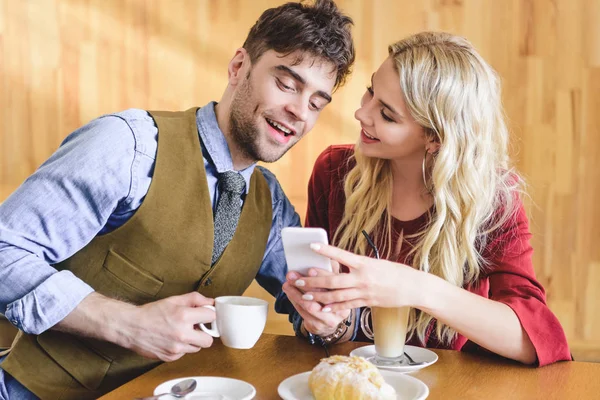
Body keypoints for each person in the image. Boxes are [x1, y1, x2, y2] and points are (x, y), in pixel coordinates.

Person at [0, 1, 355, 398]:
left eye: (316, 103)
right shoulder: (129, 145)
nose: (298, 112)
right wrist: (127, 323)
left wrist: (327, 321)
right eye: (287, 84)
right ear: (239, 67)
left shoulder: (268, 203)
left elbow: (313, 302)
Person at [282, 31, 571, 366]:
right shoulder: (335, 172)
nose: (362, 115)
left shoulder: (492, 199)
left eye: (387, 114)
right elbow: (328, 331)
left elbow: (537, 340)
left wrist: (416, 287)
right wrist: (330, 324)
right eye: (371, 92)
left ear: (435, 138)